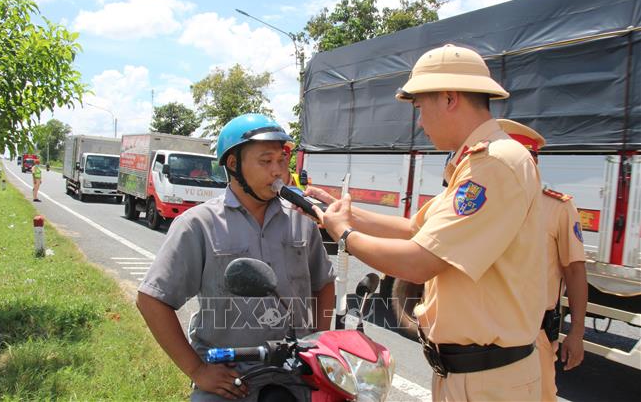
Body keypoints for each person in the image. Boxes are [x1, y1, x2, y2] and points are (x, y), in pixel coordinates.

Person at [305, 44, 546, 401]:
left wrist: (344, 233)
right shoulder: (476, 162)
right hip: (472, 374)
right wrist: (342, 212)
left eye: (420, 107)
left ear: (449, 98)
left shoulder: (493, 164)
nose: (419, 122)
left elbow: (418, 262)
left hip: (487, 381)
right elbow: (417, 229)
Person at [137, 113, 335, 402]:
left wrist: (316, 349)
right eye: (265, 161)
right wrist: (198, 370)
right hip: (229, 381)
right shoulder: (199, 224)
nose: (278, 171)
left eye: (282, 160)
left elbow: (323, 283)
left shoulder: (301, 220)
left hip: (295, 379)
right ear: (233, 165)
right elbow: (152, 299)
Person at [498, 119, 587, 401]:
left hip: (533, 336)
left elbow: (574, 272)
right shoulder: (489, 203)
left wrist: (576, 333)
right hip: (485, 331)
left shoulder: (557, 207)